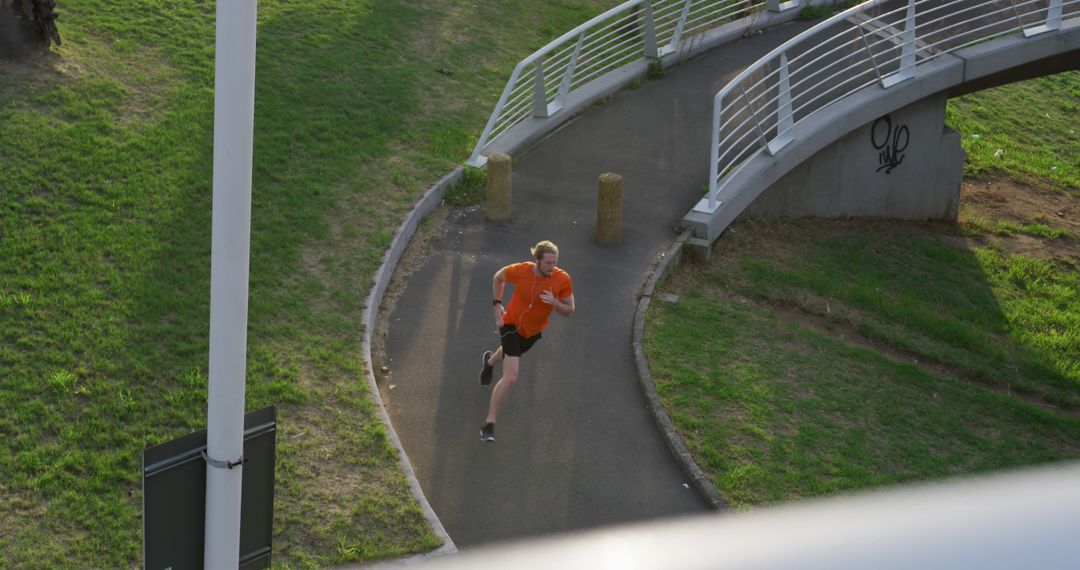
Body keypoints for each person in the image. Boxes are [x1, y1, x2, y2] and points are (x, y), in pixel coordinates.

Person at [478, 240, 575, 442]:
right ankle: (489, 424)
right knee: (511, 376)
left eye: (555, 262)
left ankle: (488, 362)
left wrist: (555, 302)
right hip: (510, 324)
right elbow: (498, 277)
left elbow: (569, 310)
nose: (552, 267)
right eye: (548, 263)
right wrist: (497, 304)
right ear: (536, 260)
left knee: (506, 353)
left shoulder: (562, 279)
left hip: (532, 332)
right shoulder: (521, 270)